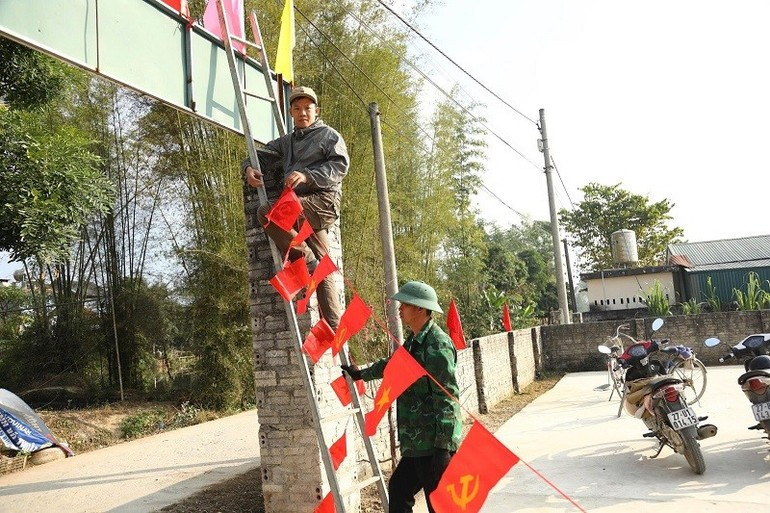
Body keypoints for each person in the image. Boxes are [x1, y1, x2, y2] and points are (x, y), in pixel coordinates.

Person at [341, 281, 462, 513]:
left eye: (404, 304)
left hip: (433, 443)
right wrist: (360, 374)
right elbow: (392, 365)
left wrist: (444, 448)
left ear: (419, 309)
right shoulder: (415, 342)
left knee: (438, 504)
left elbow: (447, 397)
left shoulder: (437, 345)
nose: (399, 309)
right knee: (398, 490)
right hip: (418, 442)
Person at [243, 86, 348, 329]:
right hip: (300, 208)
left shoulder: (328, 136)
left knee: (272, 212)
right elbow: (258, 154)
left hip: (323, 202)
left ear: (316, 111)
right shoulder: (287, 142)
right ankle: (333, 328)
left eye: (308, 108)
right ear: (291, 112)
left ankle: (304, 259)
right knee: (324, 265)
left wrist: (306, 176)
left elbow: (339, 167)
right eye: (297, 108)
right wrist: (248, 168)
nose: (303, 113)